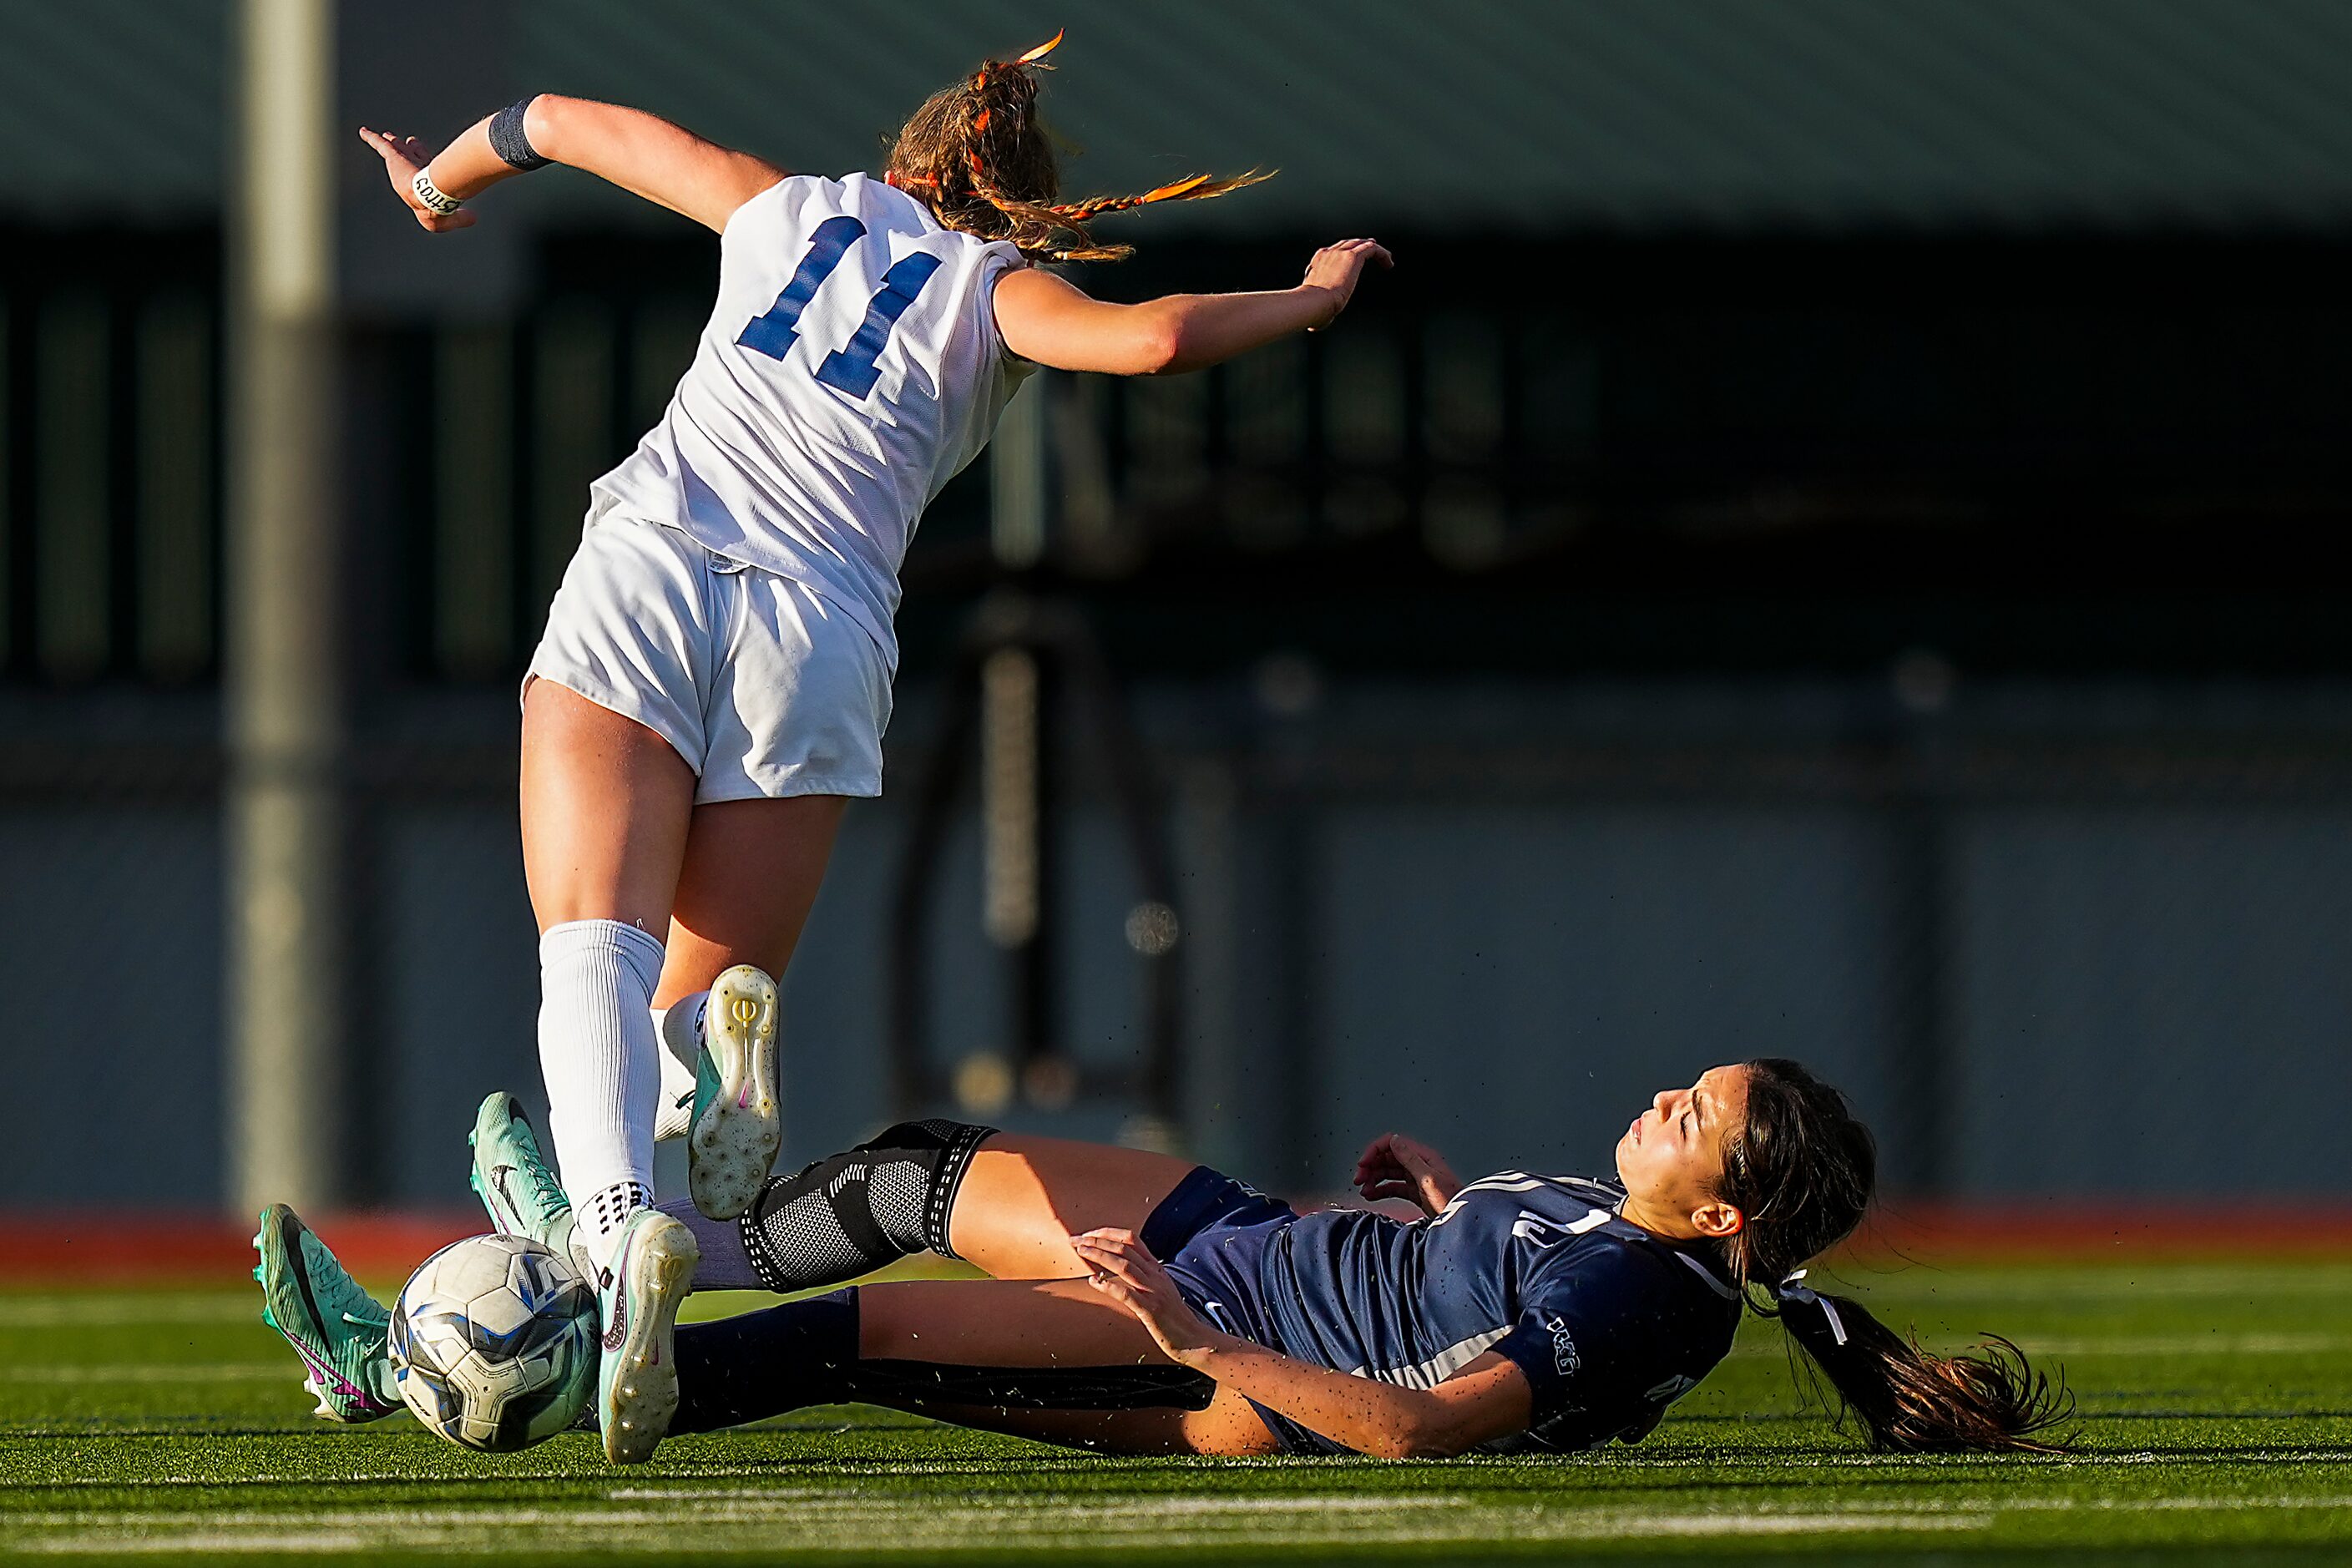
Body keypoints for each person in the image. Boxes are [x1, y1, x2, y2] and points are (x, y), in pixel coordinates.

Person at [352, 33, 1392, 1461]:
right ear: (1021, 211)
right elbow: (1151, 338)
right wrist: (1314, 296)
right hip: (820, 633)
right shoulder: (998, 290)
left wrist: (441, 183)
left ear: (898, 165)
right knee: (702, 985)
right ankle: (690, 1100)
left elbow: (562, 121)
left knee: (586, 940)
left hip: (655, 559)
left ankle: (605, 1235)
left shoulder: (782, 206)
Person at [255, 1054, 2070, 1460]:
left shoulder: (1639, 1294)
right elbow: (1471, 1295)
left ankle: (430, 1378)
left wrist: (1179, 1330)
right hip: (1258, 1251)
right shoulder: (1630, 1242)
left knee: (837, 1340)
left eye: (1697, 1112)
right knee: (910, 1169)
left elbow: (1422, 1432)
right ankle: (599, 1253)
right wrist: (1434, 1204)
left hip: (1215, 1345)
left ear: (1727, 1210)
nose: (1666, 1097)